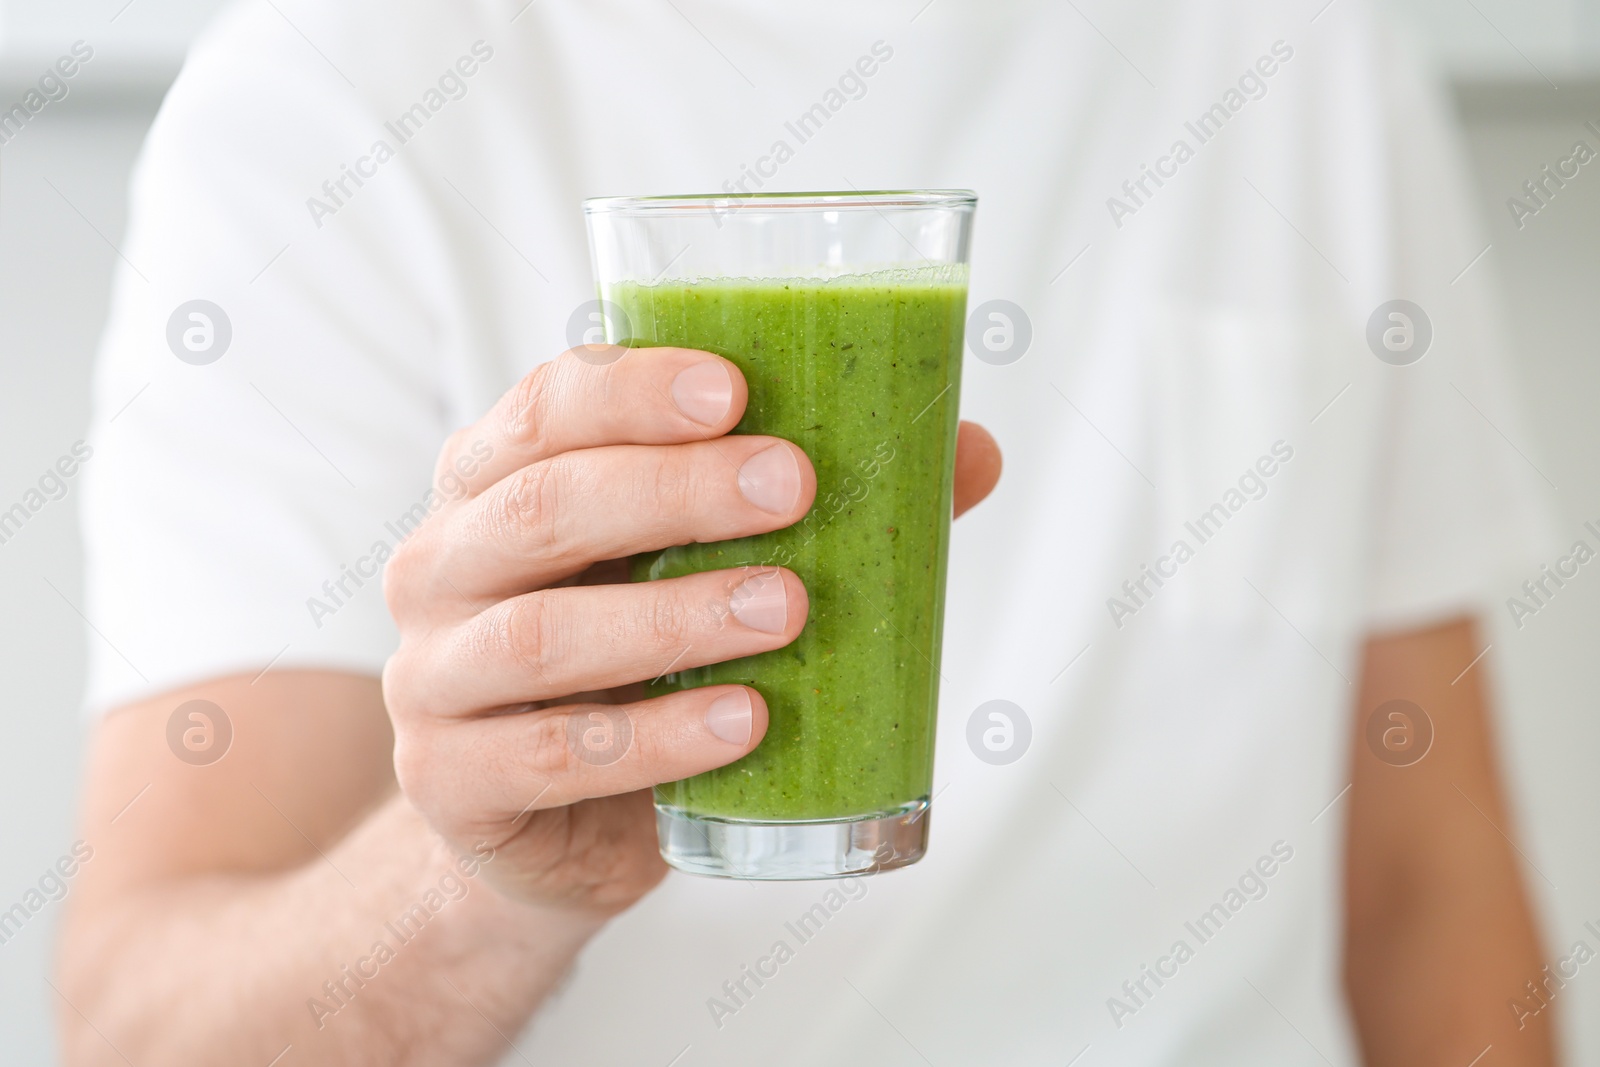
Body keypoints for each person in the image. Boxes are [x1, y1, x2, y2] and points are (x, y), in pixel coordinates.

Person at [58, 0, 1557, 1064]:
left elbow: (1431, 894)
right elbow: (141, 1033)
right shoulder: (333, 93)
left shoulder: (1306, 52)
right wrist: (476, 887)